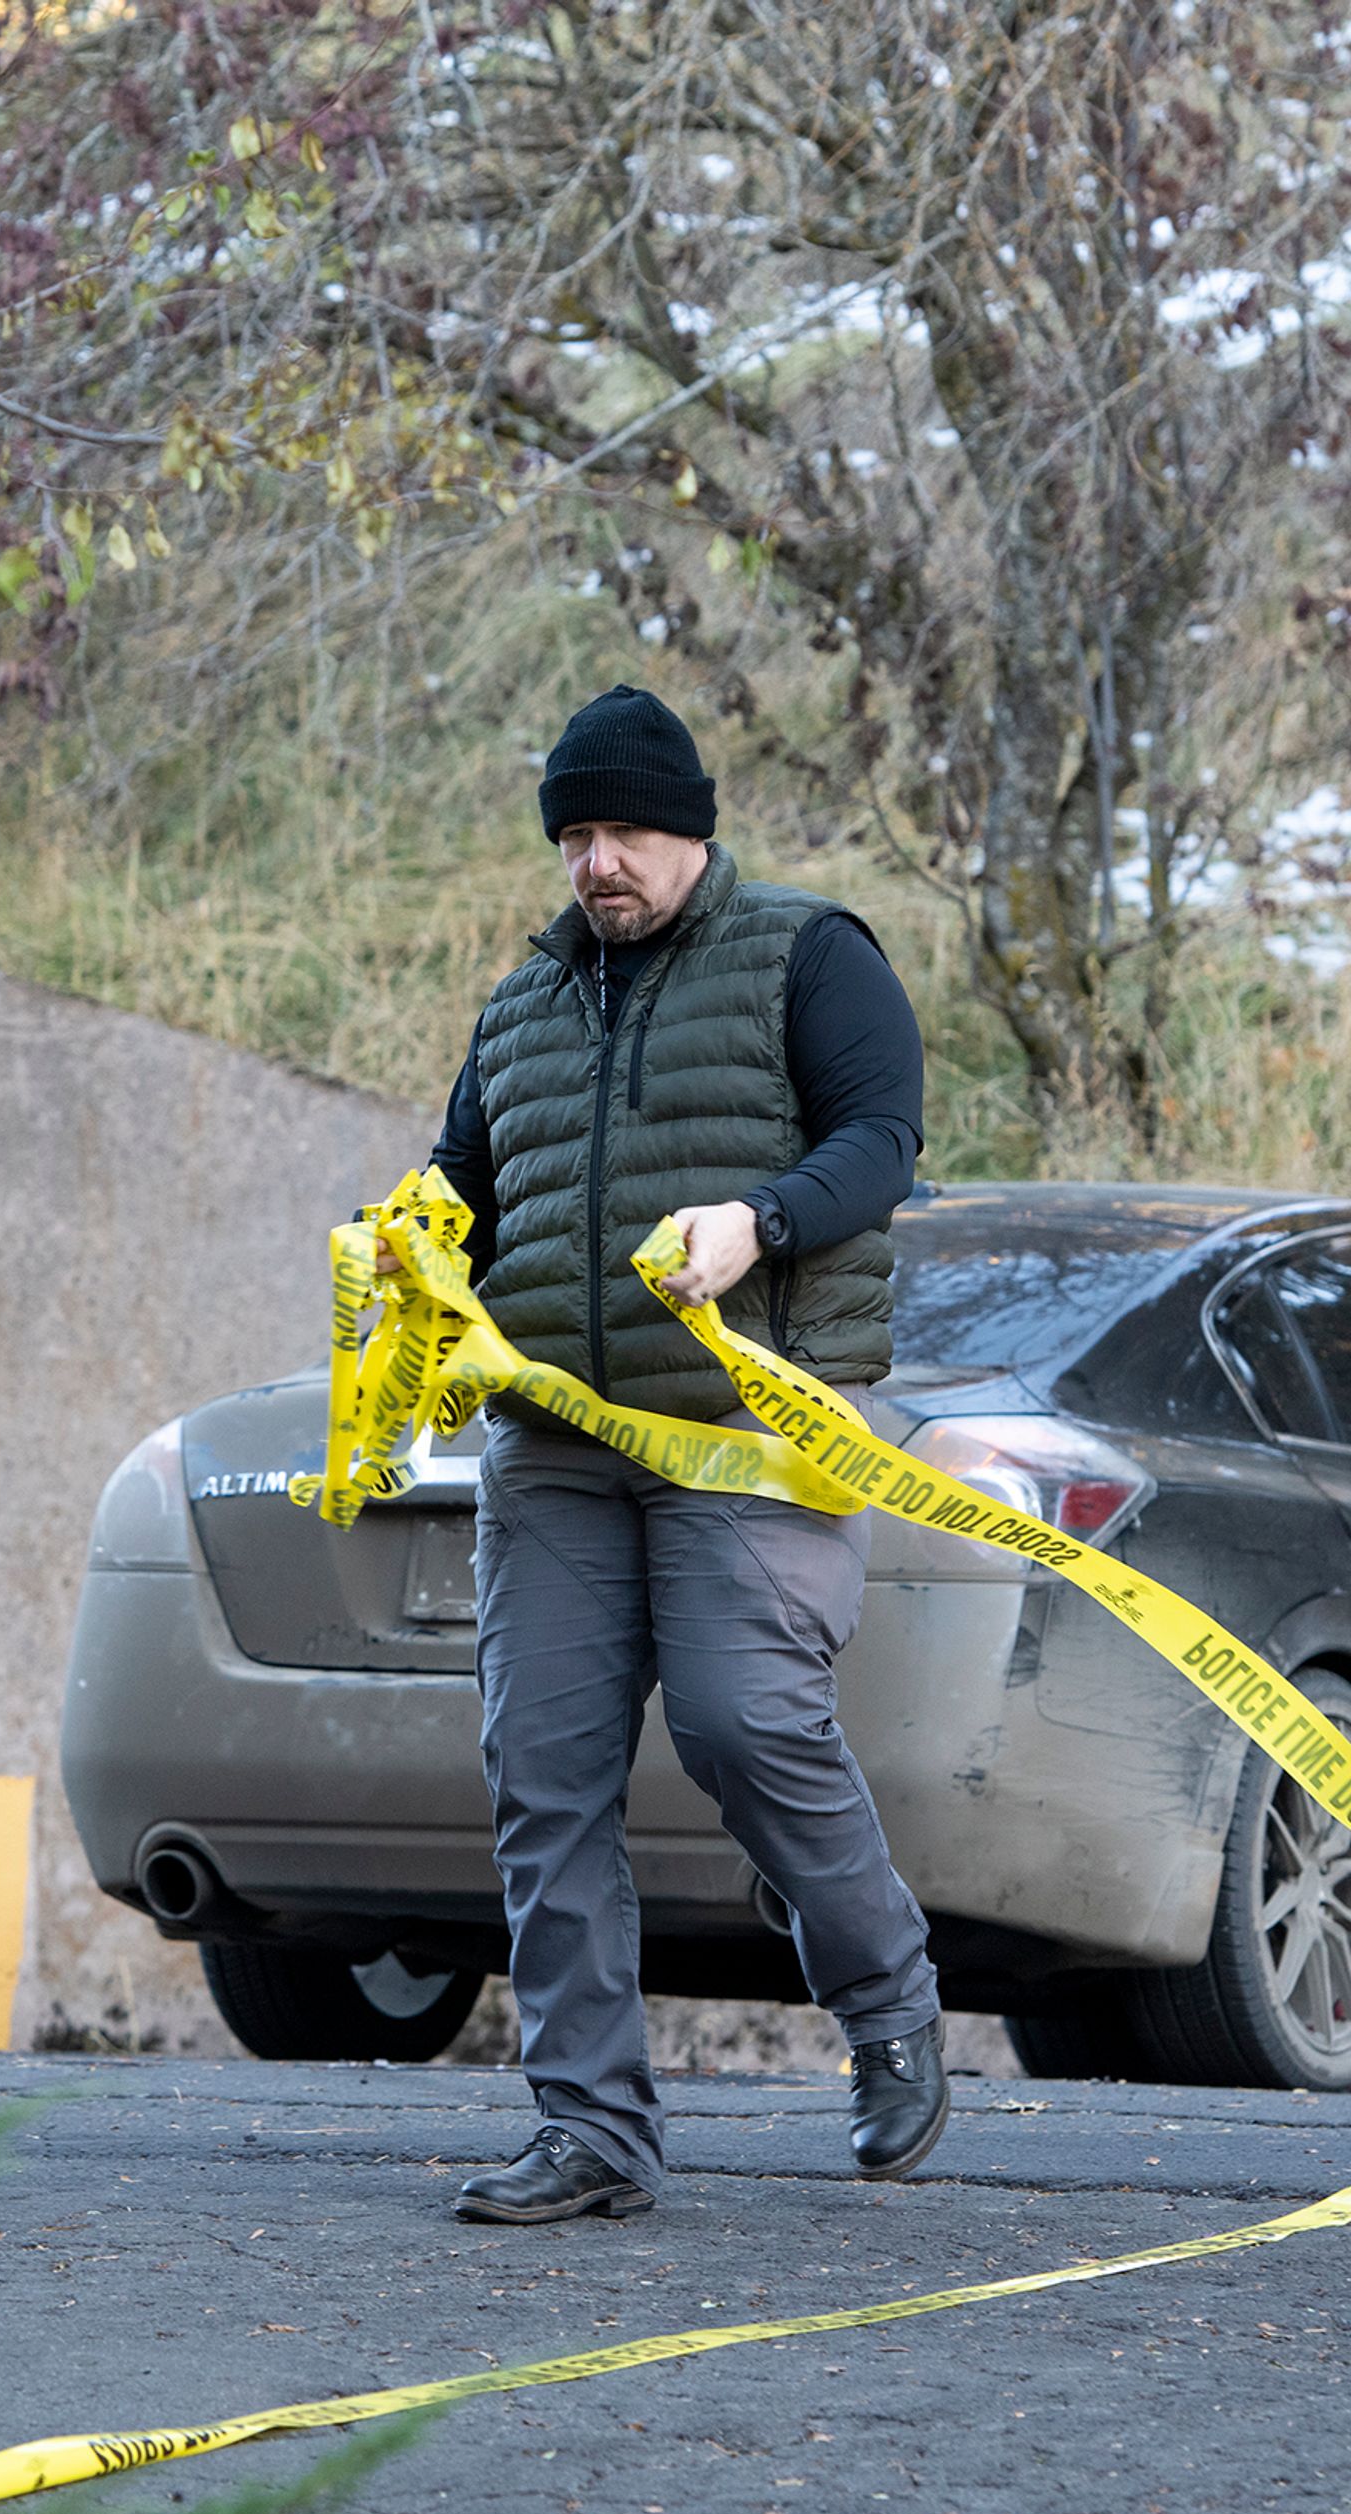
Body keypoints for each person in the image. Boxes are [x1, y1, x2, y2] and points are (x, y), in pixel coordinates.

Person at [415, 681, 946, 2224]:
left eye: (625, 830)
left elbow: (885, 1138)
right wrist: (410, 1264)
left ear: (693, 828)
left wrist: (756, 1220)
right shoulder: (520, 1005)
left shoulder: (808, 953)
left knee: (740, 1722)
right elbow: (462, 1187)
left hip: (746, 1427)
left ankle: (889, 1998)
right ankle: (591, 2127)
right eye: (575, 834)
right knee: (544, 1772)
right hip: (556, 1446)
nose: (598, 862)